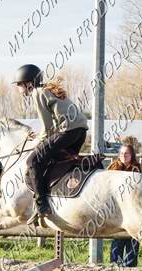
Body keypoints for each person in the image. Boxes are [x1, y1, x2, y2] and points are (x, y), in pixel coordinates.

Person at [12, 64, 88, 224]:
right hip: (80, 131)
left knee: (33, 161)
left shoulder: (38, 93)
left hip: (68, 131)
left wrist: (36, 143)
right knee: (54, 161)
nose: (18, 88)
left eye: (19, 84)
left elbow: (47, 128)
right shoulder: (47, 89)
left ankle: (42, 205)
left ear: (29, 83)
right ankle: (57, 199)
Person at [108, 143, 142, 267]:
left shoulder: (137, 168)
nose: (124, 156)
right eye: (122, 153)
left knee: (134, 234)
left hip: (133, 206)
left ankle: (130, 264)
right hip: (118, 207)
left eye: (126, 153)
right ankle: (115, 262)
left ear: (131, 155)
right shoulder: (114, 167)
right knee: (118, 235)